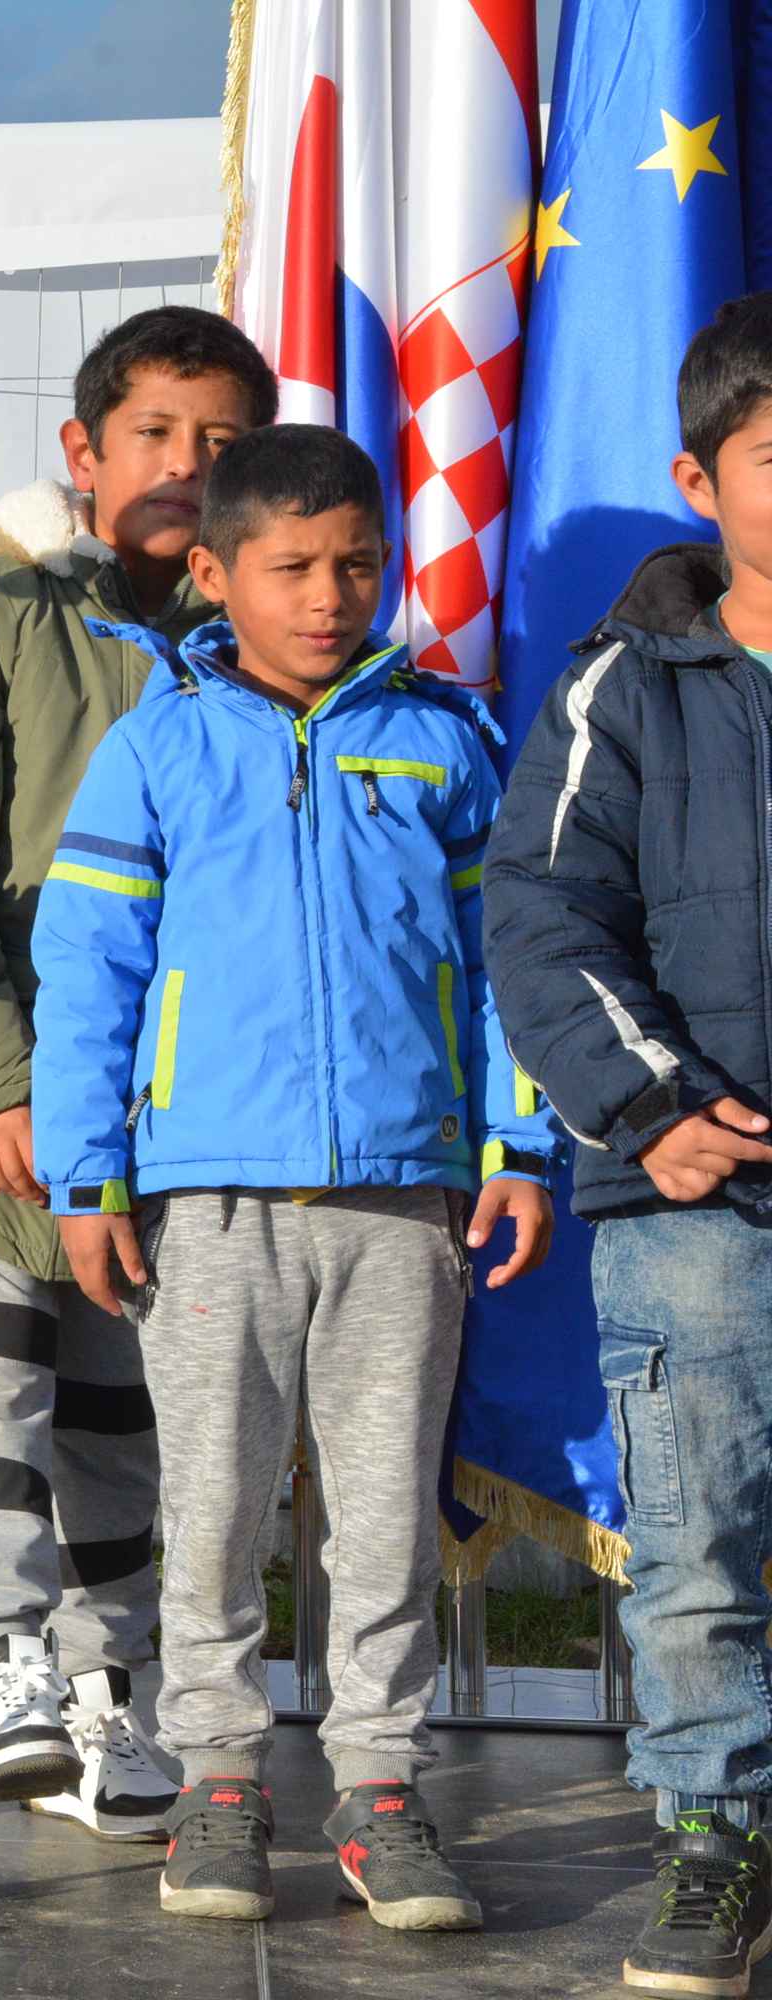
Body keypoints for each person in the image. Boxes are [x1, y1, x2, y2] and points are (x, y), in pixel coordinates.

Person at [34, 423, 558, 1930]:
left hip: (403, 1199)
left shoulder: (445, 738)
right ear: (212, 574)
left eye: (356, 566)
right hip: (206, 1203)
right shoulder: (156, 746)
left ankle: (381, 1790)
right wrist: (88, 1174)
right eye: (290, 568)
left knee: (383, 1512)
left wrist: (511, 1144)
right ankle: (217, 1781)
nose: (329, 596)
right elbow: (87, 970)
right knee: (214, 1507)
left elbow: (501, 968)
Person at [0, 303, 276, 1837]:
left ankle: (111, 1689)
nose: (184, 467)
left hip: (172, 1112)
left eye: (221, 446)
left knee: (119, 1407)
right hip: (4, 1090)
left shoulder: (260, 646)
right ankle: (1, 1657)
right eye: (155, 434)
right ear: (82, 454)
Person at [485, 292, 772, 1995]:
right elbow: (539, 909)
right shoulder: (620, 689)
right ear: (696, 475)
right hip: (695, 1197)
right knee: (695, 1546)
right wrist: (650, 1111)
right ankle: (711, 1837)